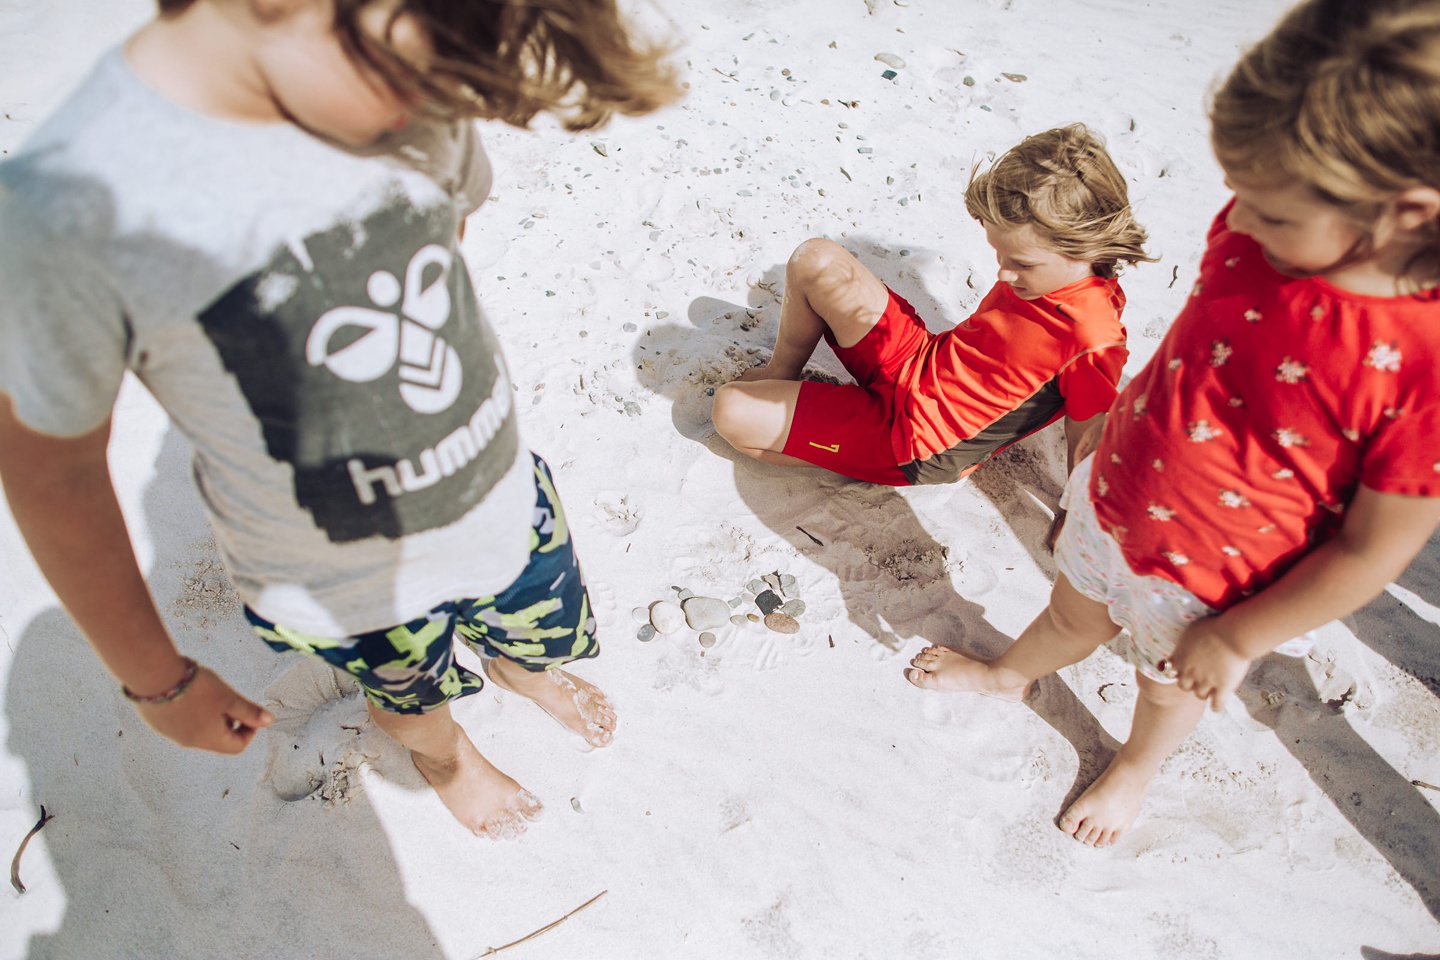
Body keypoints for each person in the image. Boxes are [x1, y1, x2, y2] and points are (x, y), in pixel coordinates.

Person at [0, 0, 677, 839]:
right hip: (348, 585)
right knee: (409, 695)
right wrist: (159, 683)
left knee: (546, 620)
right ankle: (446, 757)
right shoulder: (75, 212)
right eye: (420, 75)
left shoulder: (411, 64)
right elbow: (50, 471)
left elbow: (435, 248)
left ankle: (518, 664)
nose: (434, 100)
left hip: (501, 494)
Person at [906, 0, 1440, 849]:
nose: (1238, 217)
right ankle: (1010, 676)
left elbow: (1375, 550)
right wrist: (1091, 472)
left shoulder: (1421, 368)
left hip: (1210, 585)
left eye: (1271, 206)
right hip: (1115, 490)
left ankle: (1135, 768)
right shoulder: (1258, 231)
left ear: (1405, 213)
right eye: (1241, 189)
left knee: (1167, 688)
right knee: (1069, 616)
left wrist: (1239, 637)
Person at [711, 124, 1153, 543]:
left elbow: (1089, 433)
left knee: (731, 410)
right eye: (999, 254)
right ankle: (781, 374)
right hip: (919, 359)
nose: (1004, 272)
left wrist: (1073, 509)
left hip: (916, 440)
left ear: (1087, 246)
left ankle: (848, 457)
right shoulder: (1046, 268)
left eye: (1021, 263)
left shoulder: (1092, 339)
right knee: (816, 259)